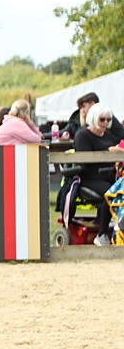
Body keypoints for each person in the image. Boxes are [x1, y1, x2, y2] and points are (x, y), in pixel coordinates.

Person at [72, 102, 124, 245]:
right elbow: (85, 163)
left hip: (109, 175)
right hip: (89, 177)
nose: (105, 122)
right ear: (94, 118)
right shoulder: (82, 135)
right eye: (102, 119)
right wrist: (109, 153)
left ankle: (118, 227)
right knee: (109, 194)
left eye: (108, 120)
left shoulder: (108, 134)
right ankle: (101, 234)